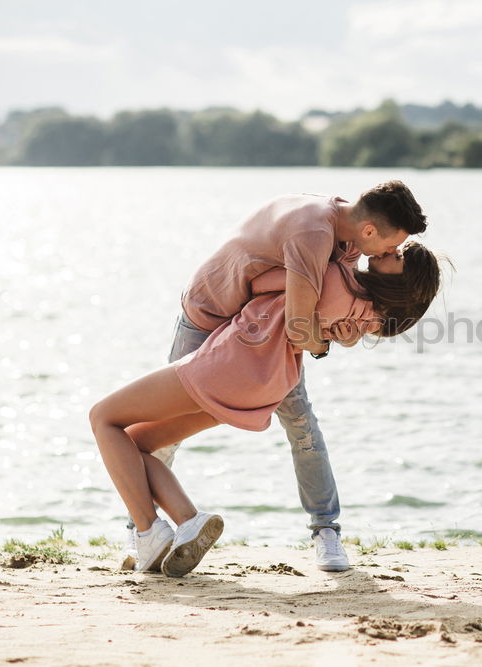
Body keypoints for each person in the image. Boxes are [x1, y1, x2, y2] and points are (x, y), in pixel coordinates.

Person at [123, 180, 428, 571]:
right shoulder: (312, 231)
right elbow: (304, 327)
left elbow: (322, 307)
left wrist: (342, 332)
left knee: (302, 424)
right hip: (210, 316)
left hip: (263, 331)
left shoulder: (350, 240)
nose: (390, 252)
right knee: (163, 429)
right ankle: (142, 530)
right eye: (391, 245)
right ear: (371, 229)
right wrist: (322, 343)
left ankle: (326, 532)